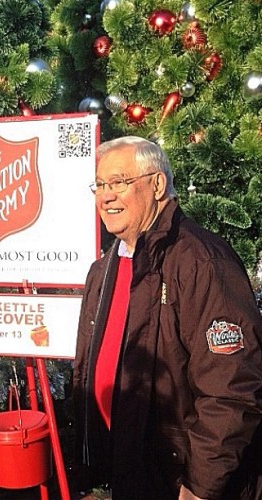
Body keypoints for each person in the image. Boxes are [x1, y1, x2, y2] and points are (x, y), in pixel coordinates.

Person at [73, 136, 262, 500]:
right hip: (132, 469)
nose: (106, 196)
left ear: (157, 184)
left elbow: (233, 387)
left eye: (119, 183)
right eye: (100, 185)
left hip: (183, 481)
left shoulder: (201, 262)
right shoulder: (104, 269)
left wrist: (200, 486)